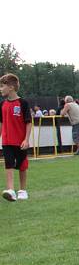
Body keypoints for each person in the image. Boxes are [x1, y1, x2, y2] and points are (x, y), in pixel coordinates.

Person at [0, 74, 31, 202]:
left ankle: (22, 190)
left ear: (11, 87)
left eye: (2, 86)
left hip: (20, 141)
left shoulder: (23, 103)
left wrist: (26, 139)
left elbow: (28, 122)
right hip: (7, 141)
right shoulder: (2, 104)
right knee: (8, 164)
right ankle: (11, 190)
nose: (0, 89)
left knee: (22, 165)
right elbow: (1, 123)